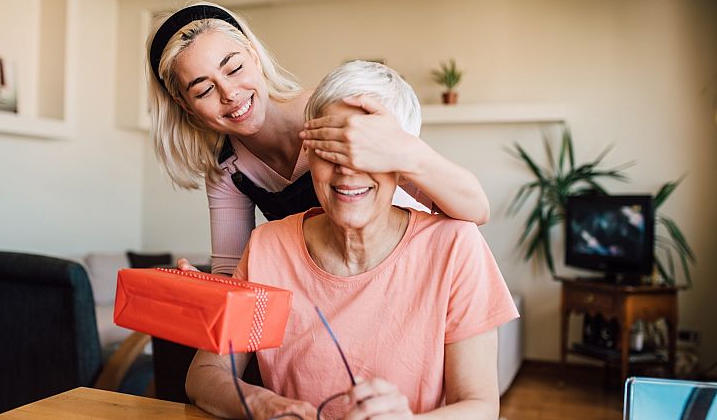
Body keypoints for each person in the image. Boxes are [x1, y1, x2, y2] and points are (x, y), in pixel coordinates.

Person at [185, 60, 519, 419]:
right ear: (309, 152)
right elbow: (204, 376)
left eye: (369, 152)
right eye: (333, 147)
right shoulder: (267, 247)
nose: (348, 169)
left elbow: (481, 406)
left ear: (403, 167)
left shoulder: (455, 246)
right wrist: (263, 404)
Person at [147, 2, 491, 276]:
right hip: (331, 280)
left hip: (407, 265)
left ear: (253, 55)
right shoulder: (228, 169)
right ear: (185, 104)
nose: (230, 94)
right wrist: (207, 288)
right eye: (204, 89)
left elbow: (475, 209)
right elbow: (236, 273)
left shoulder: (335, 112)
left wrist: (400, 149)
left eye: (234, 68)